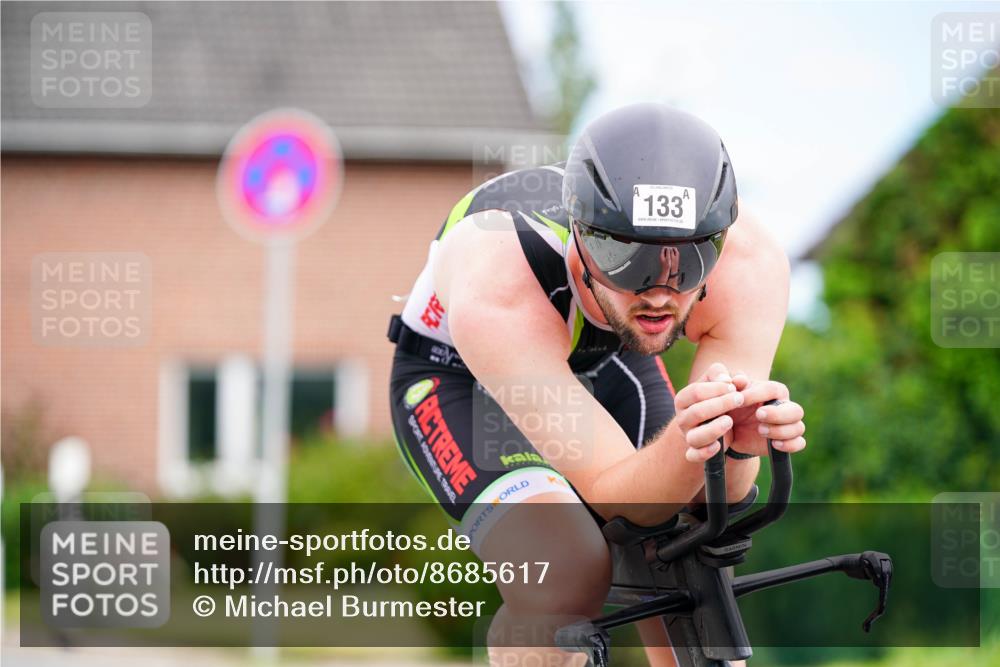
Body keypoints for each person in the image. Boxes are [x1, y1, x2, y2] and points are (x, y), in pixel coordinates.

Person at [388, 103, 806, 666]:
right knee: (565, 573)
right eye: (624, 257)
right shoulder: (499, 269)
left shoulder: (748, 262)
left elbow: (714, 499)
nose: (659, 290)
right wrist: (699, 442)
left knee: (689, 560)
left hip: (607, 355)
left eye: (688, 260)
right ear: (580, 237)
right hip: (460, 376)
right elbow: (620, 496)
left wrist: (735, 443)